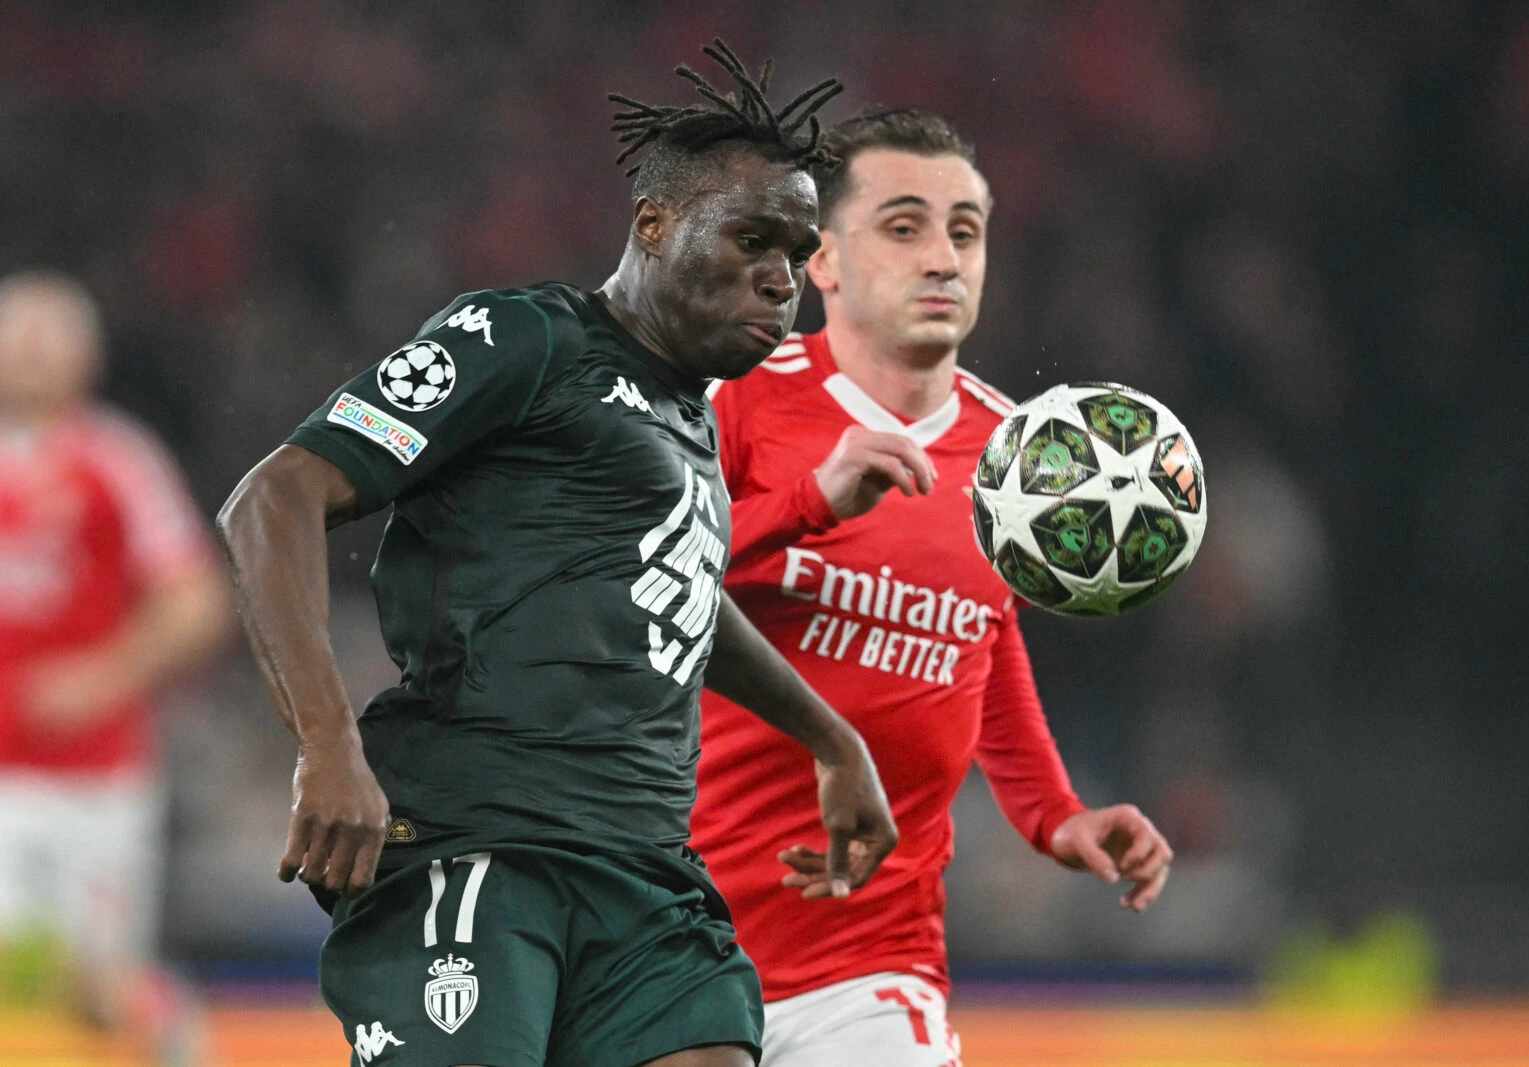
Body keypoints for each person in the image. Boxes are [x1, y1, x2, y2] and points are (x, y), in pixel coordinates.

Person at [216, 42, 897, 1067]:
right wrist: (323, 742)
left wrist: (830, 736)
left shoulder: (687, 421)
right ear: (654, 223)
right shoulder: (524, 338)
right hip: (477, 839)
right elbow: (273, 496)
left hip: (646, 871)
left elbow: (680, 595)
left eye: (796, 257)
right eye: (753, 239)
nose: (779, 279)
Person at [691, 109, 1176, 1066]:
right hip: (673, 941)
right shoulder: (736, 397)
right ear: (822, 260)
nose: (944, 259)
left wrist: (1053, 811)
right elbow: (627, 576)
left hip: (871, 961)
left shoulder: (1026, 459)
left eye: (966, 230)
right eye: (904, 226)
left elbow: (979, 634)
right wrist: (805, 502)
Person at [0, 271, 232, 1060]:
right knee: (18, 966)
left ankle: (172, 1037)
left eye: (47, 337)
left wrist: (104, 676)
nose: (28, 353)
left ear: (87, 357)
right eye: (16, 333)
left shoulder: (116, 459)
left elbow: (196, 600)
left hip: (95, 776)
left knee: (97, 982)